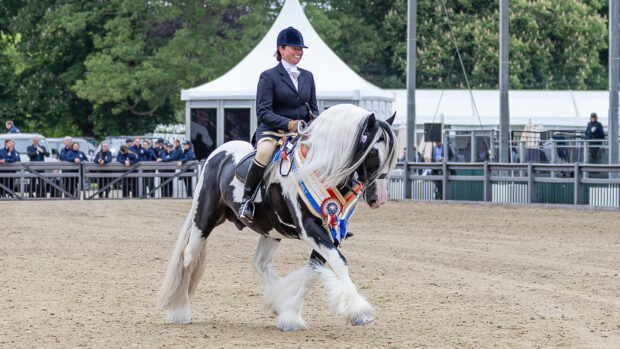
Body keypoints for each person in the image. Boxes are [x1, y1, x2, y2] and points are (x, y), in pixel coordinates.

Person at [238, 26, 318, 222]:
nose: (299, 52)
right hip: (273, 132)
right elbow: (263, 112)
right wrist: (288, 124)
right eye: (294, 48)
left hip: (300, 134)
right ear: (281, 49)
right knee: (264, 153)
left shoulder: (308, 76)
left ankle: (325, 209)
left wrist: (315, 120)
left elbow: (313, 108)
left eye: (301, 49)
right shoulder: (269, 76)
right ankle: (246, 201)